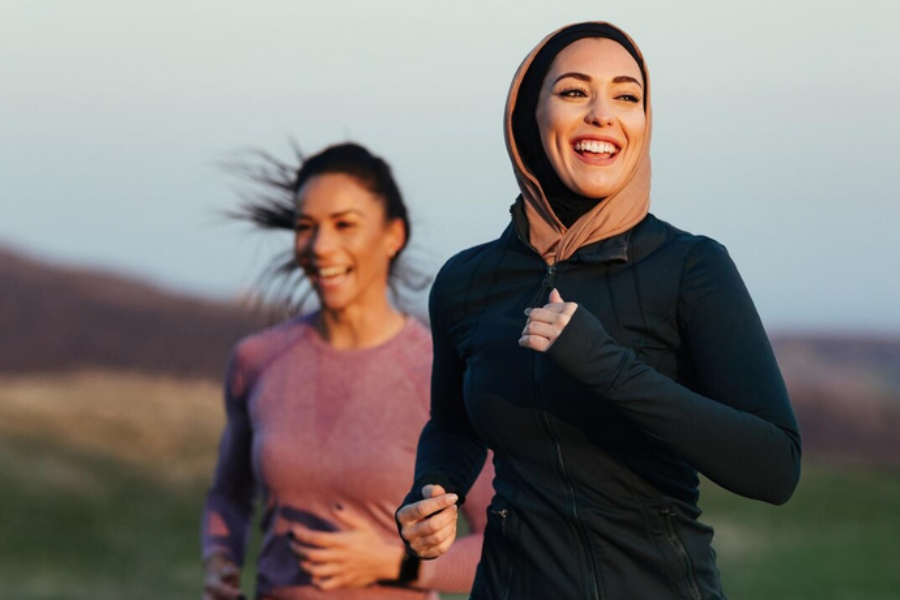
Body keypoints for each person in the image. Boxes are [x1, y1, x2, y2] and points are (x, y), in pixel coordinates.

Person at [396, 22, 801, 600]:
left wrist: (606, 365)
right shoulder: (466, 281)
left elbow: (775, 467)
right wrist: (431, 492)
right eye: (574, 92)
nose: (603, 114)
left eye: (627, 96)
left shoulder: (691, 267)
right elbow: (454, 425)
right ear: (528, 117)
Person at [201, 143, 493, 600]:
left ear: (393, 235)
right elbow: (229, 494)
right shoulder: (256, 360)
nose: (320, 247)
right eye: (306, 227)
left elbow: (502, 541)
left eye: (344, 225)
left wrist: (395, 562)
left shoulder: (440, 369)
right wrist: (221, 559)